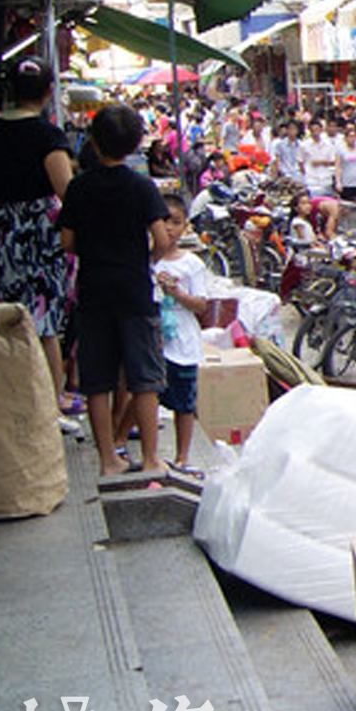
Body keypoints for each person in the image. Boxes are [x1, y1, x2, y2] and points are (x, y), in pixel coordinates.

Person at [60, 105, 168, 480]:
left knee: (97, 381)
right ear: (137, 144)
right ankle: (152, 457)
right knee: (144, 378)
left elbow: (67, 242)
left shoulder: (79, 187)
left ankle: (108, 460)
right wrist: (145, 258)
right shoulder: (141, 186)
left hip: (93, 291)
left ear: (92, 140)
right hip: (135, 291)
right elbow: (161, 238)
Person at [0, 60, 76, 402]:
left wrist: (0, 192)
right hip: (37, 234)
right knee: (43, 325)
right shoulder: (47, 134)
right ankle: (49, 406)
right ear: (48, 91)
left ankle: (2, 401)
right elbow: (66, 190)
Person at [151, 198, 224, 479]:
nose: (169, 228)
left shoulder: (191, 264)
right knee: (145, 397)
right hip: (154, 342)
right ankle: (149, 454)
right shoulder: (147, 261)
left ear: (185, 227)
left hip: (182, 343)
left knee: (184, 403)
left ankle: (182, 458)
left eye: (176, 222)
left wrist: (177, 293)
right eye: (164, 221)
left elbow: (202, 306)